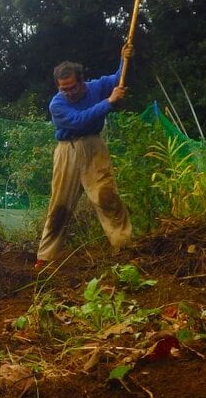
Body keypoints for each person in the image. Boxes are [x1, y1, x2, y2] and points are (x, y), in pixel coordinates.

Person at [35, 44, 134, 270]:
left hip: (94, 147)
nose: (68, 92)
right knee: (59, 205)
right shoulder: (57, 104)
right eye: (63, 88)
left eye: (71, 87)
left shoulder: (96, 87)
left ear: (81, 81)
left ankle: (124, 247)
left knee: (106, 196)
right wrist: (109, 102)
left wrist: (124, 58)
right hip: (66, 151)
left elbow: (120, 77)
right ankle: (46, 258)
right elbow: (80, 120)